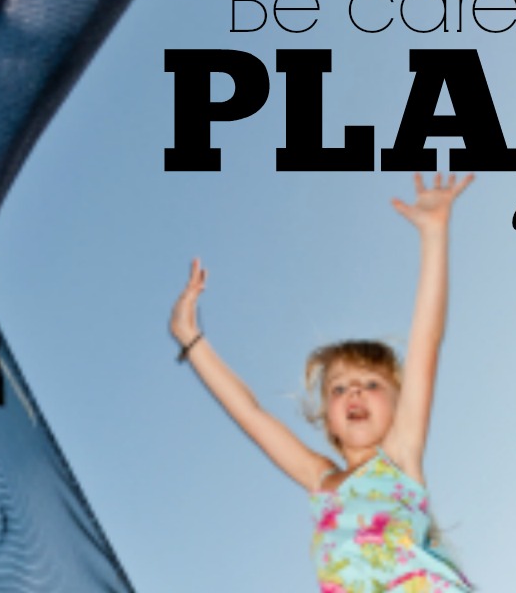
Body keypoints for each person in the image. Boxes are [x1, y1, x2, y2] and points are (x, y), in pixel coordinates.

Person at [170, 173, 475, 592]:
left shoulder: (399, 454)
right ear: (328, 421)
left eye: (371, 384)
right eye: (339, 388)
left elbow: (427, 338)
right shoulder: (320, 479)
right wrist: (191, 338)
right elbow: (250, 413)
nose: (354, 392)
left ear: (398, 404)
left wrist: (434, 235)